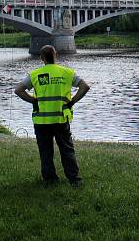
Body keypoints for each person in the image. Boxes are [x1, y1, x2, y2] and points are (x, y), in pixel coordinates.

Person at [14, 45, 90, 185]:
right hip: (61, 118)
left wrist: (33, 100)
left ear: (42, 58)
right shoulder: (67, 72)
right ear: (56, 55)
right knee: (67, 149)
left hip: (41, 120)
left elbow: (18, 90)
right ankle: (74, 179)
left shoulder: (35, 74)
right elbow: (85, 87)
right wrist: (72, 101)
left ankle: (50, 180)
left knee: (46, 151)